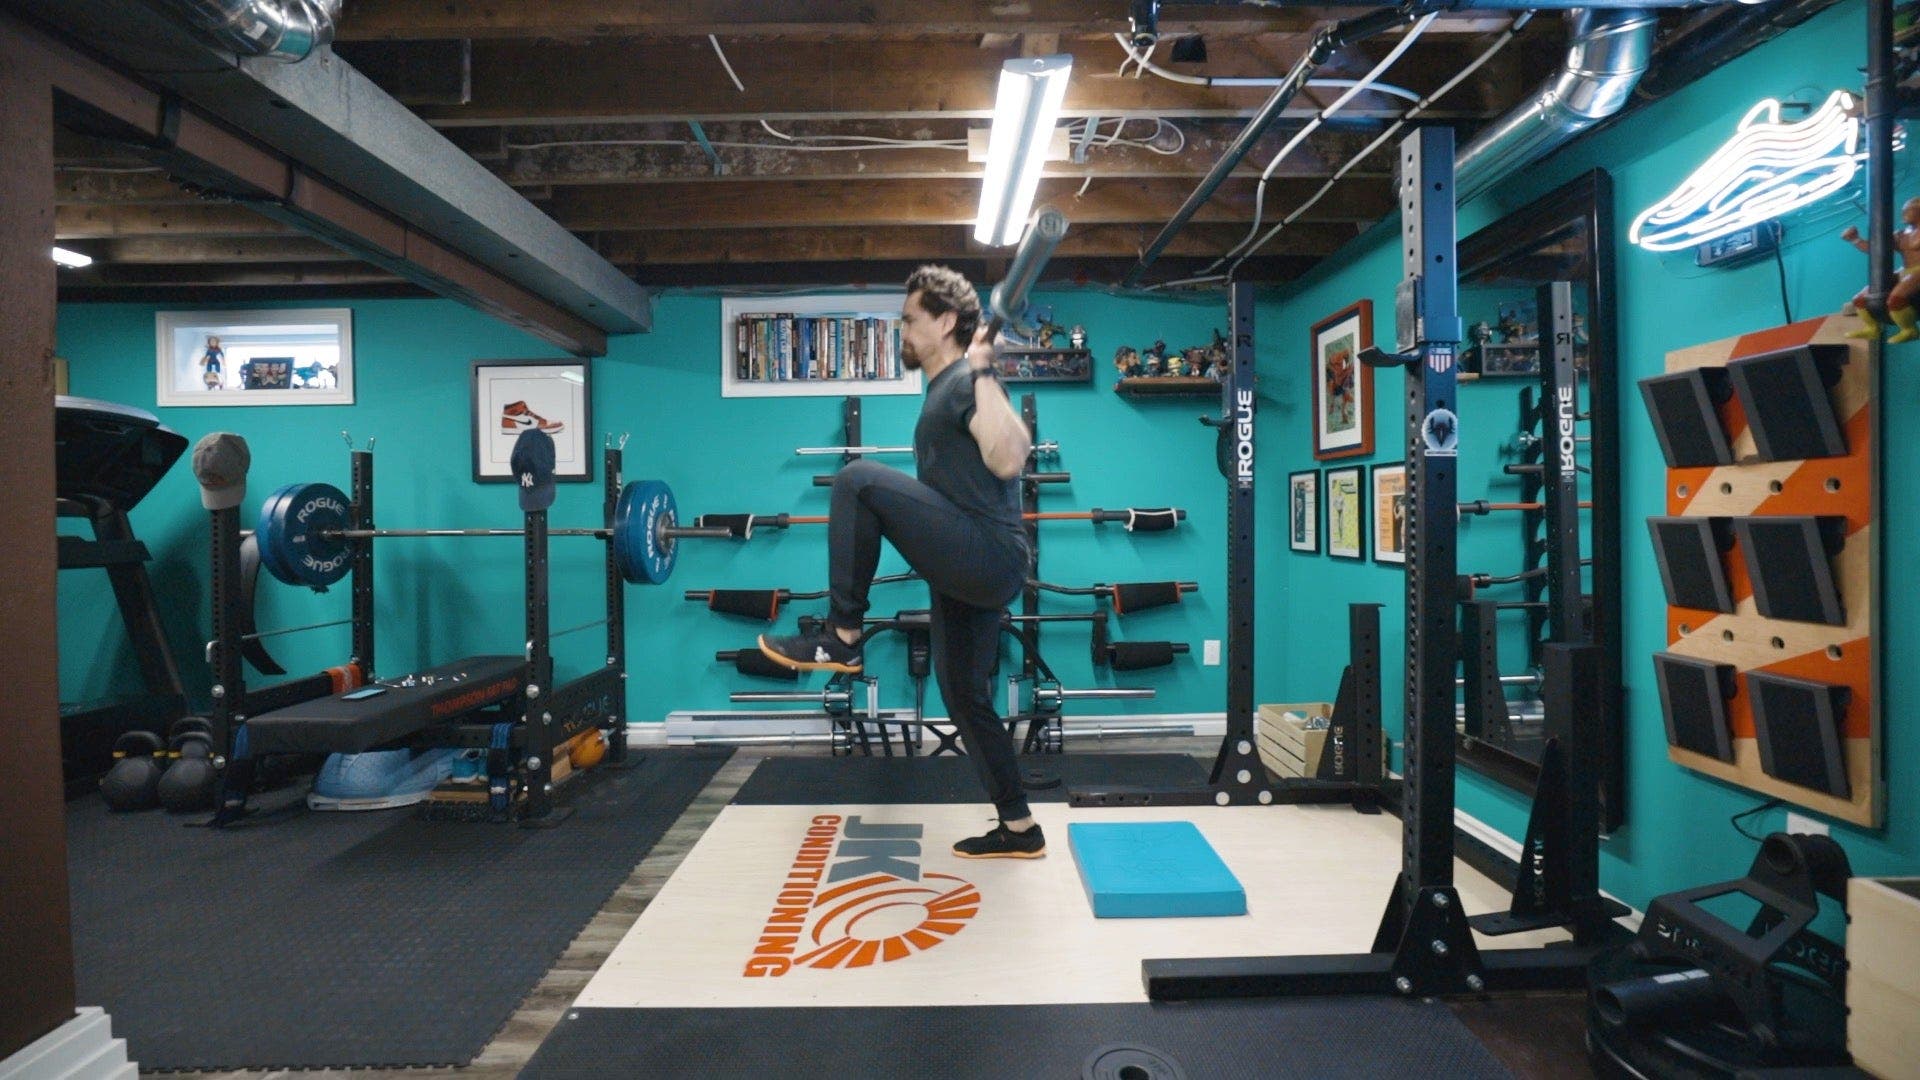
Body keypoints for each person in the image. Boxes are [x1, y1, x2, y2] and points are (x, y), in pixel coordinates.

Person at [758, 265, 1043, 860]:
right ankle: (1020, 827)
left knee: (857, 480)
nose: (901, 330)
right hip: (967, 563)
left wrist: (985, 369)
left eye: (910, 320)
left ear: (945, 321)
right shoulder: (941, 391)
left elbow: (1010, 458)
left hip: (987, 555)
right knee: (963, 695)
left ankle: (842, 637)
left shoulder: (965, 380)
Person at [1841, 195, 1920, 344]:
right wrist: (1855, 239)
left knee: (1896, 298)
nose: (1904, 213)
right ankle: (1872, 328)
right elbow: (1875, 250)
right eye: (1904, 211)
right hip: (1905, 271)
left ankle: (1910, 330)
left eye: (1909, 210)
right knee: (1860, 298)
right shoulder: (1901, 234)